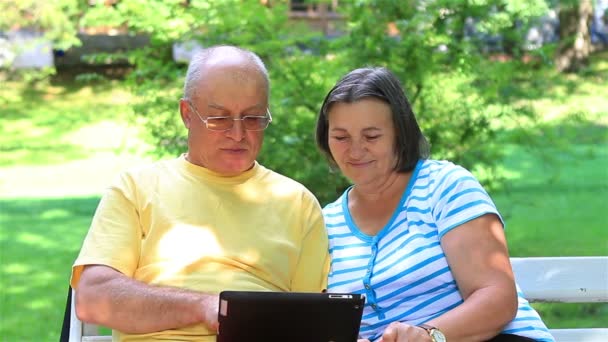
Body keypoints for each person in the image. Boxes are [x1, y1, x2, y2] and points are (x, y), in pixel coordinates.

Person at [71, 45, 329, 341]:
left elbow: (312, 323)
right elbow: (93, 298)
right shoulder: (135, 189)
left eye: (252, 118)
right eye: (219, 118)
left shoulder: (298, 203)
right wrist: (204, 307)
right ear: (187, 114)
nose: (237, 134)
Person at [315, 67, 554, 342]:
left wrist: (428, 335)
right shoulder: (325, 224)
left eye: (371, 136)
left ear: (400, 134)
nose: (355, 150)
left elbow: (498, 298)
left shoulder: (444, 186)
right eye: (341, 137)